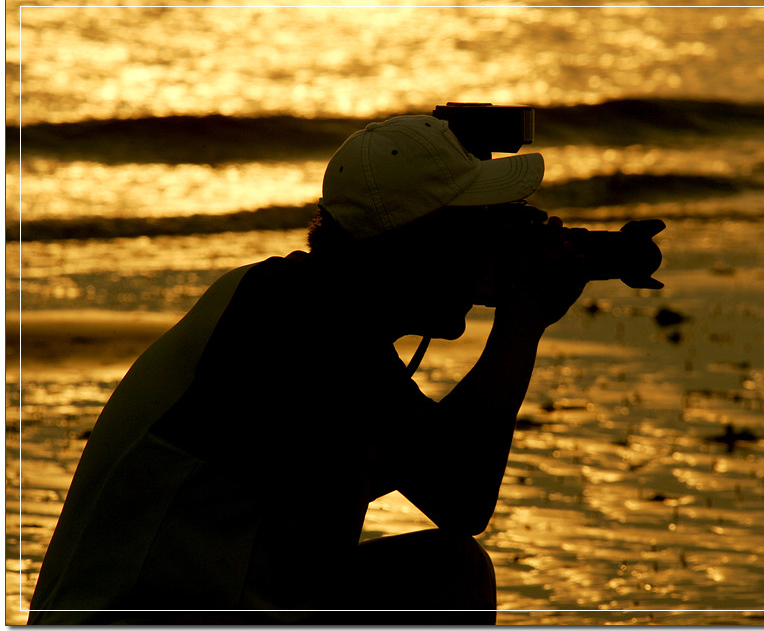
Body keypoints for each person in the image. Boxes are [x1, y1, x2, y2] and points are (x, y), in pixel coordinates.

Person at [27, 115, 587, 624]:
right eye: (473, 235)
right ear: (409, 250)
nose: (485, 255)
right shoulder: (305, 323)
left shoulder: (297, 303)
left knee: (443, 572)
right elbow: (462, 493)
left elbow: (436, 473)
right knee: (449, 576)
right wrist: (524, 316)